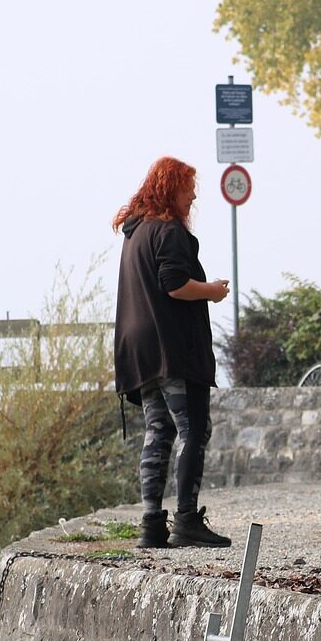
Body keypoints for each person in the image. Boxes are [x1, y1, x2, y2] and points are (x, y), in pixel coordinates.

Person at [113, 156, 233, 549]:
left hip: (139, 352)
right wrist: (212, 291)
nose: (194, 194)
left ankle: (151, 524)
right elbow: (175, 284)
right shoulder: (168, 232)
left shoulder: (136, 234)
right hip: (172, 349)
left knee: (158, 430)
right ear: (169, 188)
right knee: (194, 429)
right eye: (187, 187)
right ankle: (186, 519)